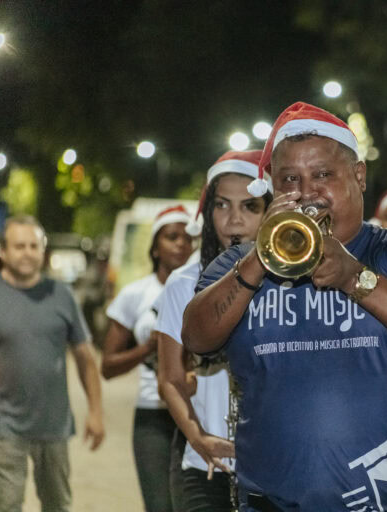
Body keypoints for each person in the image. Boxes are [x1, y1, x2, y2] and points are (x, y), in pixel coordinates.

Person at [182, 101, 387, 511]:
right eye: (290, 179)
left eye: (323, 175)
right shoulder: (238, 264)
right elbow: (195, 338)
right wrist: (258, 261)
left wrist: (355, 277)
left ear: (359, 175)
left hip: (385, 501)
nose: (307, 192)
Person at [155, 150, 271, 512]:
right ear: (208, 213)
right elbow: (170, 379)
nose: (234, 220)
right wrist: (198, 437)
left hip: (274, 467)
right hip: (205, 466)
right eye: (222, 205)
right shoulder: (183, 282)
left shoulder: (293, 284)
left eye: (250, 207)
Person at [0, 215, 104, 512]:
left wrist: (95, 411)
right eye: (19, 246)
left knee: (57, 505)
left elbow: (85, 359)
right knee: (7, 504)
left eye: (33, 245)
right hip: (2, 423)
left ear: (43, 250)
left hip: (53, 423)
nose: (27, 252)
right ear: (2, 251)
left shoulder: (62, 296)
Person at [101, 205, 193, 511]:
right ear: (155, 247)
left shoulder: (205, 290)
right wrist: (148, 348)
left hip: (197, 412)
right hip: (153, 416)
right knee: (159, 505)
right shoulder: (135, 294)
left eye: (187, 237)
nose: (181, 243)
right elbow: (108, 366)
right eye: (171, 237)